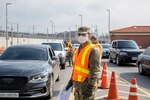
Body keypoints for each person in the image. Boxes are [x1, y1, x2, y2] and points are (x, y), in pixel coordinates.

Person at [66, 26, 101, 100]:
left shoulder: (94, 50)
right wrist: (71, 81)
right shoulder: (78, 50)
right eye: (79, 34)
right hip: (78, 86)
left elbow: (95, 70)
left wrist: (90, 86)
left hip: (86, 87)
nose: (81, 36)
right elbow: (76, 68)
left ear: (89, 35)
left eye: (84, 34)